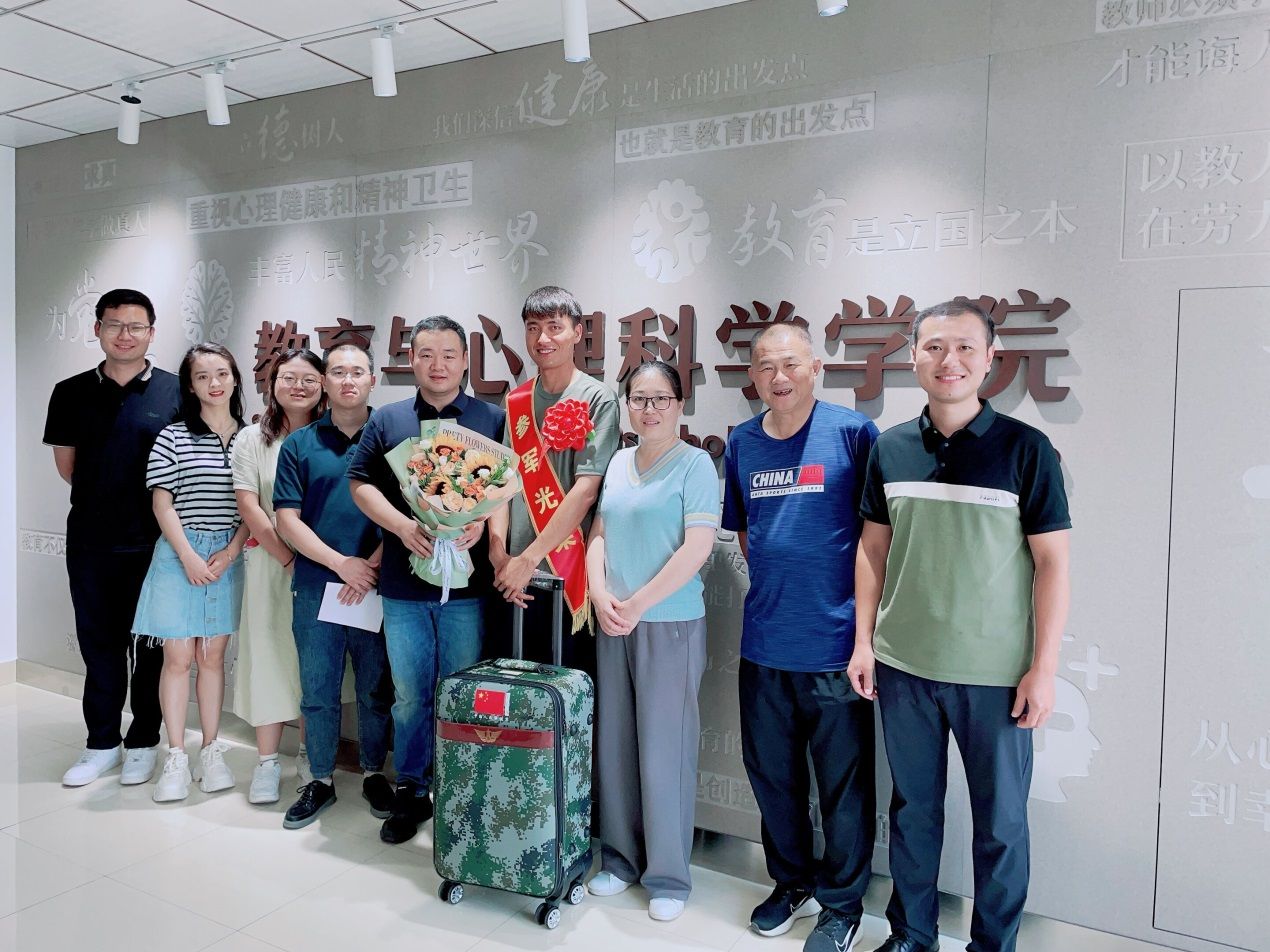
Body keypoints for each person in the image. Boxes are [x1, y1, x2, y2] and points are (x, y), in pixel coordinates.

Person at [847, 300, 1071, 952]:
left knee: (1001, 825)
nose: (950, 361)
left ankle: (992, 945)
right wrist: (864, 642)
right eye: (936, 347)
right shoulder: (890, 447)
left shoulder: (1026, 449)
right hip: (904, 665)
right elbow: (872, 550)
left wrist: (1044, 668)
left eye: (966, 347)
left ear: (991, 358)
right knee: (913, 813)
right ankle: (911, 936)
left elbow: (1053, 564)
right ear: (914, 356)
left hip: (995, 674)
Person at [721, 323, 879, 952]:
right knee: (773, 778)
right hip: (765, 642)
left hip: (837, 647)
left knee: (844, 787)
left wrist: (863, 636)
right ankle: (791, 882)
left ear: (816, 368)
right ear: (753, 378)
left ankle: (842, 905)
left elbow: (877, 537)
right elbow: (745, 533)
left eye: (790, 364)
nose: (778, 377)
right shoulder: (742, 442)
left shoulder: (853, 433)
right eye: (766, 367)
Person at [348, 316, 505, 844]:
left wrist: (482, 524)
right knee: (411, 695)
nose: (438, 365)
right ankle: (411, 788)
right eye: (427, 355)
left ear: (465, 361)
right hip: (403, 584)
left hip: (468, 590)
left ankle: (461, 790)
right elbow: (360, 483)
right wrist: (400, 526)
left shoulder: (491, 418)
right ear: (411, 360)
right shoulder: (389, 419)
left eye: (449, 355)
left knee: (462, 691)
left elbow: (507, 491)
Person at [584, 361, 719, 924]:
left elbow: (697, 548)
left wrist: (638, 603)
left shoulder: (696, 464)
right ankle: (619, 859)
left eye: (661, 398)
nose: (650, 409)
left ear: (680, 405)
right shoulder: (618, 461)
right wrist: (598, 592)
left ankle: (668, 877)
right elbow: (599, 533)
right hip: (613, 619)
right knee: (615, 743)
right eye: (639, 398)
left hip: (668, 623)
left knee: (666, 750)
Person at [43, 288, 181, 788]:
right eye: (115, 324)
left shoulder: (176, 392)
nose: (125, 334)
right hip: (92, 542)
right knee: (99, 645)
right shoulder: (70, 392)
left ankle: (144, 741)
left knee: (151, 649)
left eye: (136, 326)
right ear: (97, 328)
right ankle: (101, 743)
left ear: (152, 332)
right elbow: (68, 468)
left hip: (158, 544)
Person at [274, 342, 394, 829]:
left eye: (357, 372)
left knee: (375, 689)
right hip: (317, 584)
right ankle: (319, 779)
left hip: (377, 584)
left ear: (372, 381)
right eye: (338, 372)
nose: (348, 380)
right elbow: (287, 519)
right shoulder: (299, 444)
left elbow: (413, 509)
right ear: (325, 381)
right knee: (318, 689)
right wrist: (341, 563)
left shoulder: (392, 438)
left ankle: (373, 773)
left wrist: (370, 564)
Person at [133, 343, 249, 803]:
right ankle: (177, 756)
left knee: (213, 658)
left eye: (221, 373)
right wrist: (187, 556)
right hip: (179, 554)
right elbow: (162, 504)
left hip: (227, 555)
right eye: (202, 376)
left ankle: (212, 751)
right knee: (178, 659)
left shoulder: (252, 438)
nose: (214, 383)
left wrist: (232, 551)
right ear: (190, 386)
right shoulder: (173, 436)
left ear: (235, 378)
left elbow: (255, 507)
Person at [488, 285, 620, 673]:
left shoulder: (597, 398)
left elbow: (586, 491)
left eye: (554, 327)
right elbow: (502, 483)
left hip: (568, 573)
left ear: (577, 332)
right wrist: (498, 553)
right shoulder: (517, 401)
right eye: (533, 328)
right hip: (512, 579)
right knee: (515, 689)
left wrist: (528, 559)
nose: (542, 338)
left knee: (566, 691)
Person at [231, 349, 325, 804]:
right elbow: (248, 505)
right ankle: (267, 762)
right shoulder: (252, 438)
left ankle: (309, 755)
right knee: (268, 657)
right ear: (272, 384)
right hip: (272, 563)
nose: (299, 386)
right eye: (289, 378)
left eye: (309, 379)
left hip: (324, 567)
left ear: (323, 385)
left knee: (314, 664)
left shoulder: (332, 436)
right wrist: (288, 558)